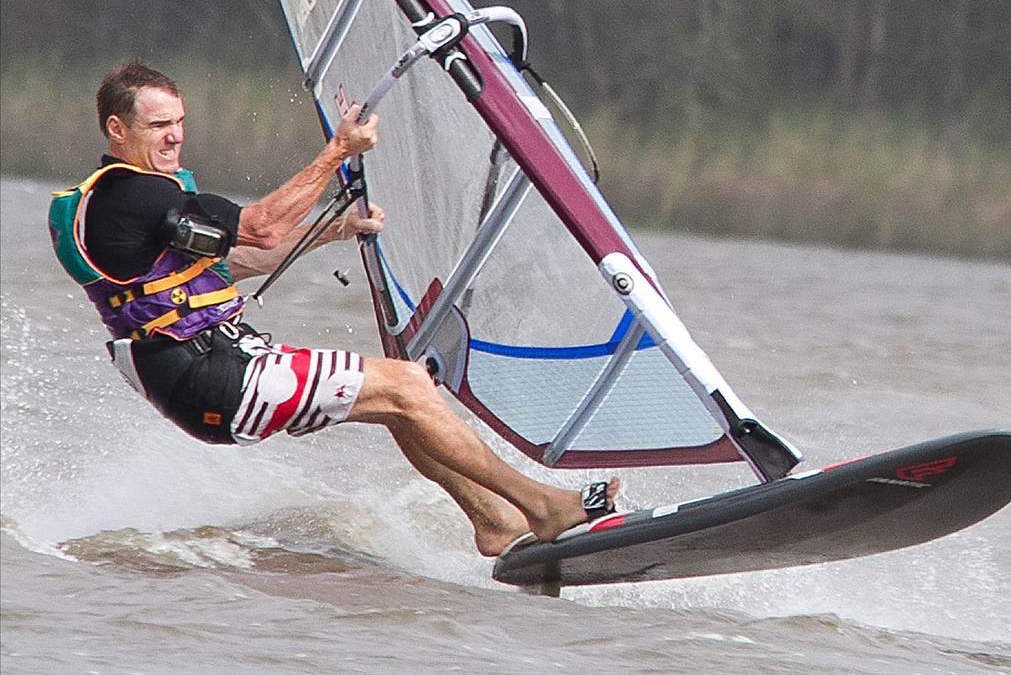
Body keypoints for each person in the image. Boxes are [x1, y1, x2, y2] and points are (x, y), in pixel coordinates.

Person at [49, 62, 616, 556]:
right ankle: (544, 506)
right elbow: (262, 229)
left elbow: (230, 266)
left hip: (203, 374)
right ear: (117, 129)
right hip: (212, 375)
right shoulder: (134, 192)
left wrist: (335, 230)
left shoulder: (127, 202)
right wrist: (338, 151)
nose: (175, 136)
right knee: (408, 386)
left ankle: (493, 522)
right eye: (158, 126)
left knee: (397, 402)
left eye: (179, 122)